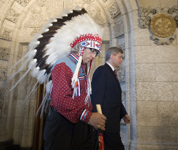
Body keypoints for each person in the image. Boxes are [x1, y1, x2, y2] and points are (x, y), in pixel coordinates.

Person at [10, 7, 106, 150]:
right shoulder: (63, 64)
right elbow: (60, 98)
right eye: (92, 50)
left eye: (96, 53)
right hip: (63, 126)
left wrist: (91, 116)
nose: (93, 56)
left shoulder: (82, 68)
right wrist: (88, 116)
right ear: (81, 47)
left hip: (81, 125)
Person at [91, 47, 131, 150]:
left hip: (112, 122)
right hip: (105, 123)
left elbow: (113, 97)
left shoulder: (111, 73)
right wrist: (97, 119)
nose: (122, 60)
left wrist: (123, 113)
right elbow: (96, 96)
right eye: (120, 57)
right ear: (112, 56)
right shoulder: (102, 70)